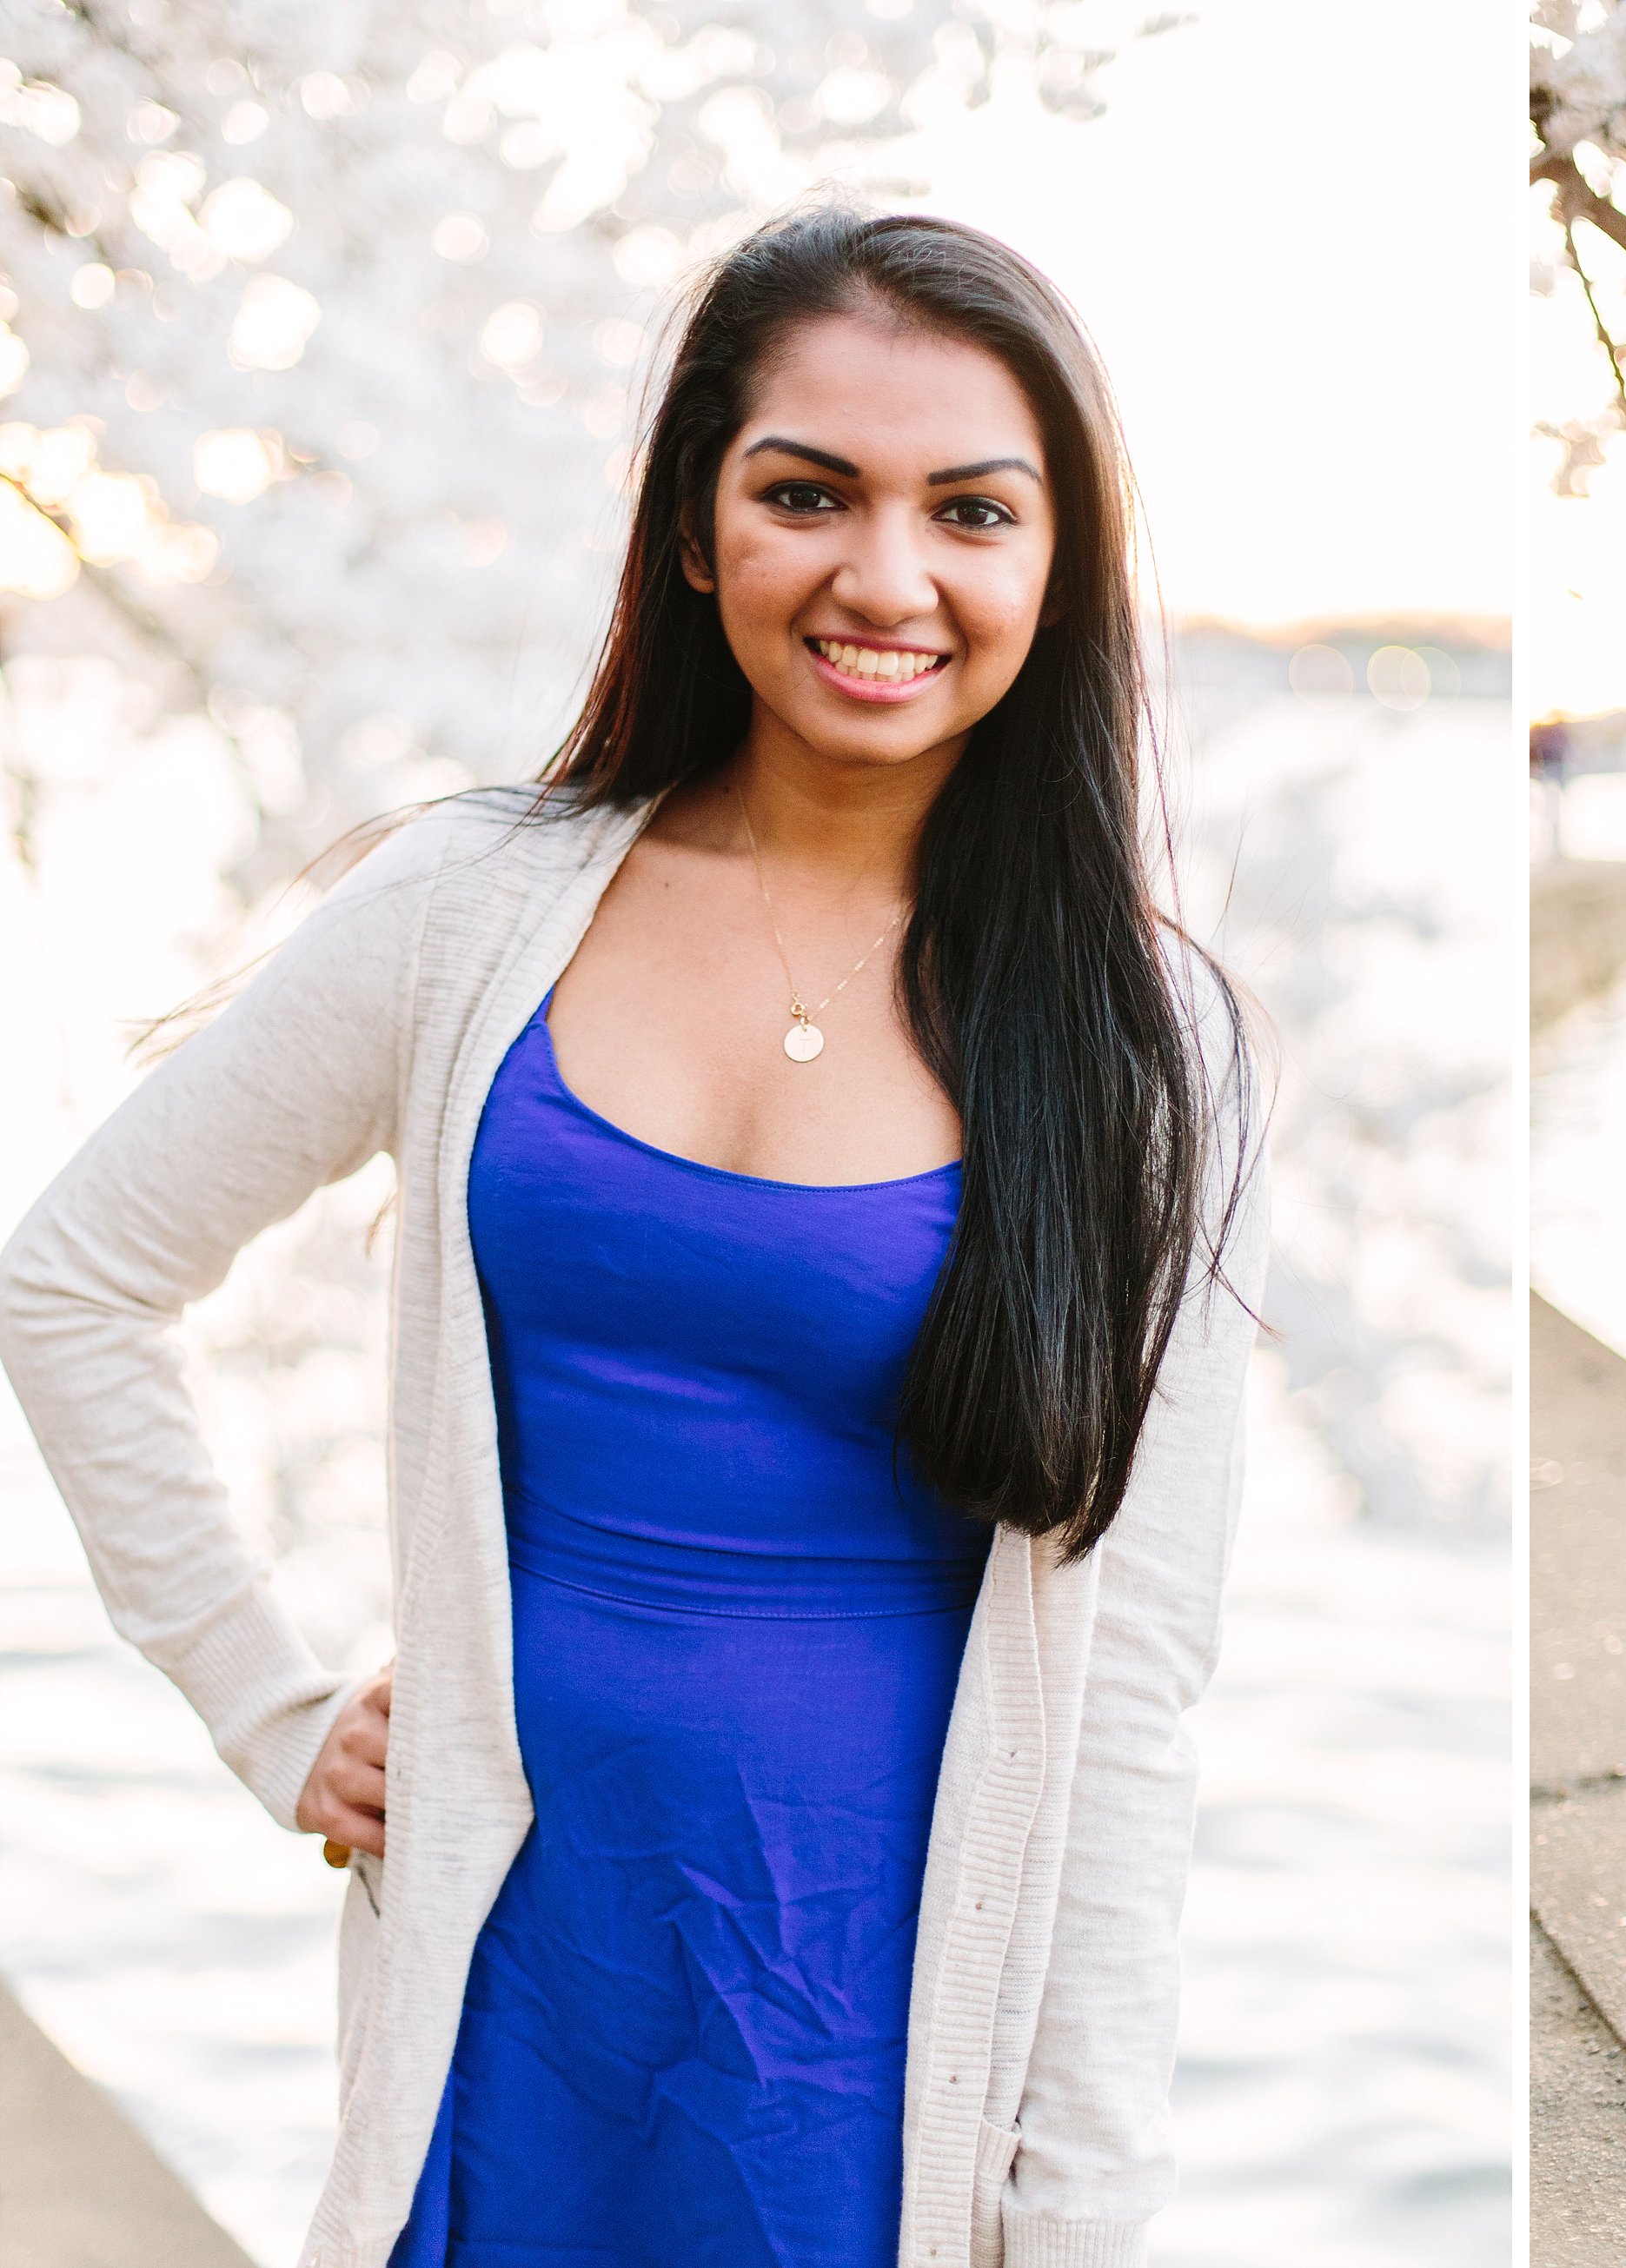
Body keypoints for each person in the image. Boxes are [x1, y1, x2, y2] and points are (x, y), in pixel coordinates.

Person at [0, 206, 1264, 2267]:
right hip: (513, 1965)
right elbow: (70, 1280)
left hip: (873, 2022)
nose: (887, 577)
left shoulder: (1150, 1050)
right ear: (696, 530)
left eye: (971, 511)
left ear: (1057, 567)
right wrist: (266, 1703)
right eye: (806, 495)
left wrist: (1079, 2213)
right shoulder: (470, 910)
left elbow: (1135, 1694)